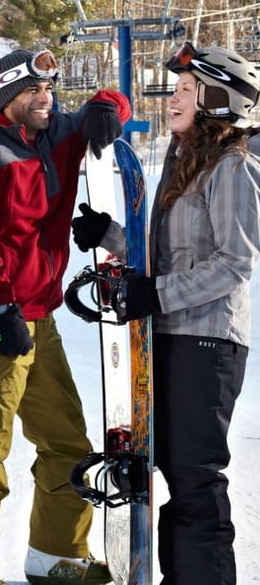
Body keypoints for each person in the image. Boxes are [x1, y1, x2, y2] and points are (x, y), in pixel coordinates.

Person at [71, 44, 260, 585]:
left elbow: (233, 265)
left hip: (208, 342)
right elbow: (162, 255)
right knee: (171, 473)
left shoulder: (231, 167)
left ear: (218, 102)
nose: (171, 97)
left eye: (184, 90)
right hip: (169, 337)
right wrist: (108, 234)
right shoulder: (183, 164)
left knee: (195, 479)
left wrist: (153, 295)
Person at [0, 49, 131, 585]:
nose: (46, 99)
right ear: (8, 99)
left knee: (67, 444)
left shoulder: (60, 135)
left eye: (50, 89)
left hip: (40, 321)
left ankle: (55, 556)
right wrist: (1, 307)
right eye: (33, 91)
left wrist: (106, 108)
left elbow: (114, 101)